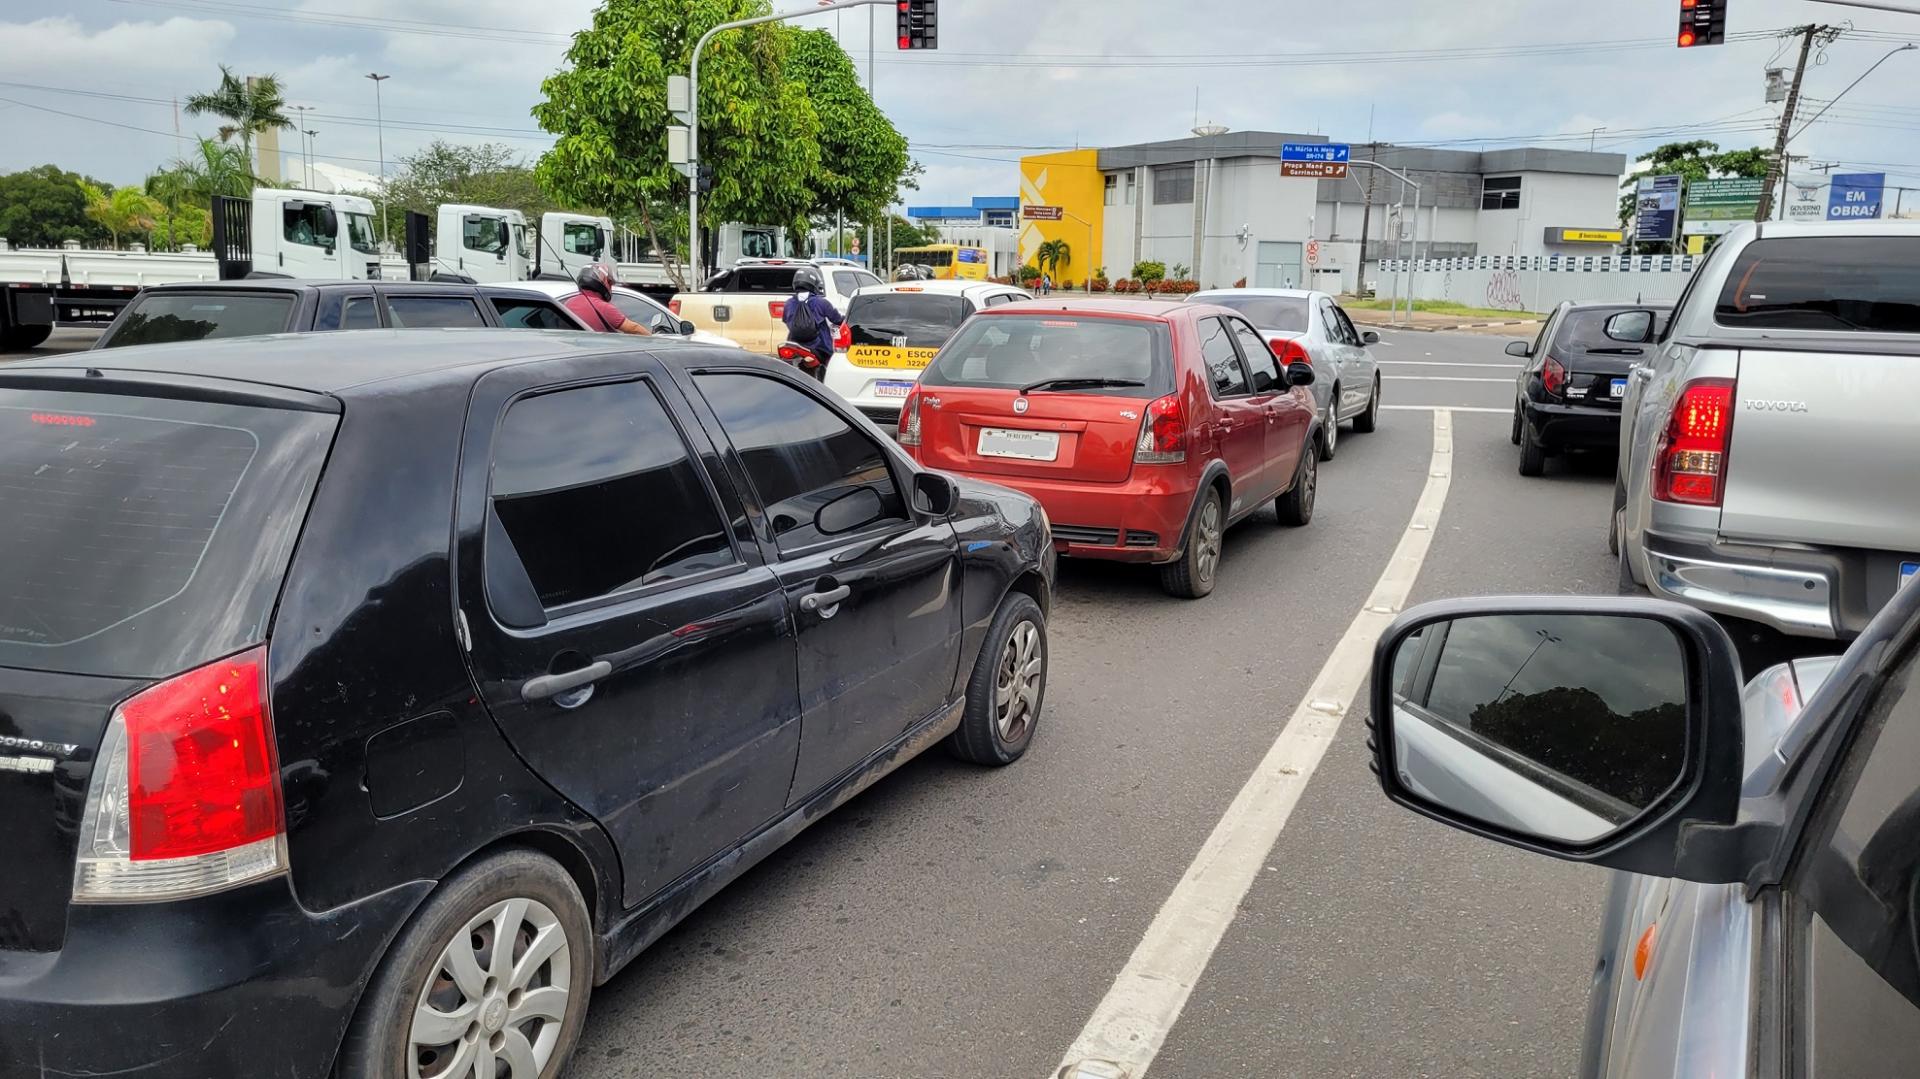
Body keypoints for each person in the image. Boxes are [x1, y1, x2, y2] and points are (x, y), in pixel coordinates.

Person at [782, 266, 842, 382]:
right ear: (814, 283)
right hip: (819, 348)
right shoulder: (821, 303)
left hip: (793, 345)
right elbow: (837, 319)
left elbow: (786, 320)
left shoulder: (789, 303)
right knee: (831, 364)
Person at [563, 264, 650, 334]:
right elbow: (633, 328)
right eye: (610, 283)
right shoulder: (604, 308)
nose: (610, 288)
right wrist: (653, 340)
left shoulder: (569, 303)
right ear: (603, 281)